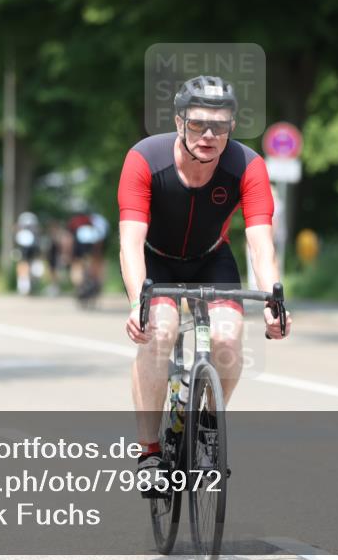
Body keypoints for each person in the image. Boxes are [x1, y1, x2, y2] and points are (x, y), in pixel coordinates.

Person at [117, 74, 291, 492]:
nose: (209, 135)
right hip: (157, 261)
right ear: (179, 123)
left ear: (233, 125)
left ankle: (208, 428)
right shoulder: (144, 159)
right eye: (198, 124)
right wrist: (136, 301)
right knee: (160, 331)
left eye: (220, 124)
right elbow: (130, 241)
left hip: (211, 258)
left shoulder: (247, 166)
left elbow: (261, 244)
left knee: (229, 339)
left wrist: (273, 299)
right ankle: (150, 452)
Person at [14, 211, 41, 296]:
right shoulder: (31, 230)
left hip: (29, 249)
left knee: (25, 265)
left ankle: (25, 285)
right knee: (24, 265)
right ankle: (25, 285)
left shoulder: (25, 231)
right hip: (28, 249)